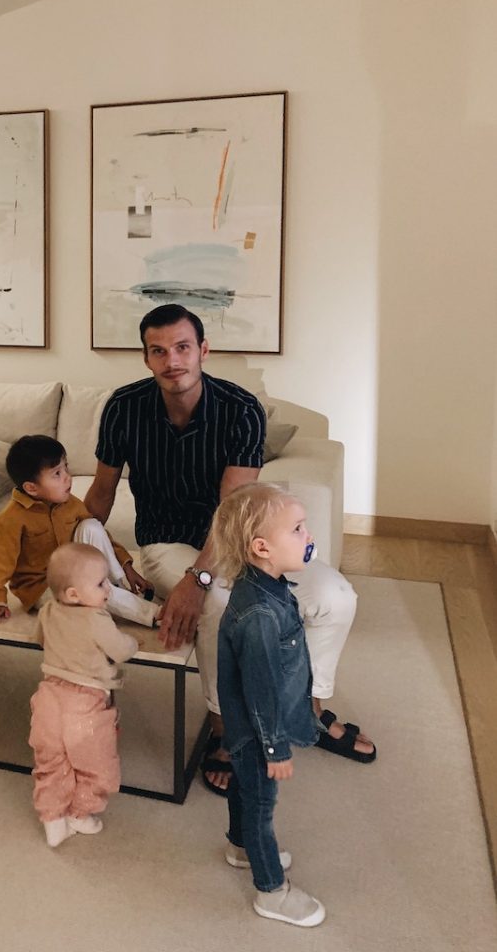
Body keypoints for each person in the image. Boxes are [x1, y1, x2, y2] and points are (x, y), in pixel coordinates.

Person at [84, 303, 375, 794]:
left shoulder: (241, 409)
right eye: (159, 351)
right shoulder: (123, 407)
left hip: (240, 536)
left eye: (182, 347)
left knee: (335, 597)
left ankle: (307, 710)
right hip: (166, 540)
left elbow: (232, 511)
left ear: (203, 350)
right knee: (221, 605)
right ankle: (225, 731)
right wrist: (70, 548)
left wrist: (197, 579)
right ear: (146, 357)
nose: (172, 360)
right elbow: (102, 492)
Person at [213, 482, 325, 927]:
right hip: (257, 731)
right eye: (297, 529)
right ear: (262, 548)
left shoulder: (270, 587)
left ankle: (240, 846)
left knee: (244, 787)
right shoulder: (259, 614)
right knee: (261, 803)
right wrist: (275, 748)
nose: (308, 536)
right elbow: (260, 690)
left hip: (249, 727)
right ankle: (271, 891)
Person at [0, 434, 159, 628]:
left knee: (91, 526)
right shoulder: (11, 520)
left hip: (74, 571)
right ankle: (156, 615)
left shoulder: (70, 504)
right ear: (31, 488)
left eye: (66, 467)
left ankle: (116, 584)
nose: (67, 477)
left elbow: (101, 537)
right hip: (43, 587)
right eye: (57, 473)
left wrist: (126, 567)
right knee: (90, 592)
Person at [28, 542, 139, 846]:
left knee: (51, 763)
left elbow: (39, 638)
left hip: (48, 700)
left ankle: (53, 820)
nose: (108, 589)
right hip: (85, 706)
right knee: (97, 765)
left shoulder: (48, 610)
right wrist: (132, 642)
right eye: (101, 584)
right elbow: (120, 650)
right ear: (74, 594)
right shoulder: (96, 618)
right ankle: (79, 814)